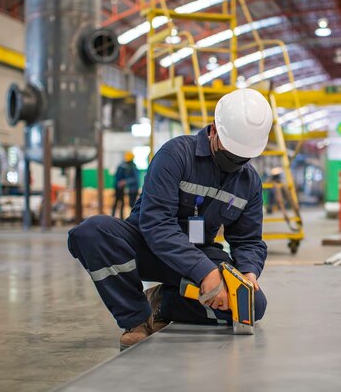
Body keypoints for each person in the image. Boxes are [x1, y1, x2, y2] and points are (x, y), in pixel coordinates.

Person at [68, 89, 273, 350]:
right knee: (92, 232)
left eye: (242, 156)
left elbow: (248, 240)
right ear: (213, 130)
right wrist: (206, 272)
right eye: (230, 151)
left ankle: (164, 302)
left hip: (197, 252)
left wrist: (248, 273)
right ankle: (137, 319)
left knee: (252, 306)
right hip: (146, 246)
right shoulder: (175, 155)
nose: (234, 161)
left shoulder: (250, 182)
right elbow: (156, 224)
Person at [111, 151, 140, 218]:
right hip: (122, 188)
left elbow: (135, 179)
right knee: (120, 203)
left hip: (132, 189)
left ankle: (134, 218)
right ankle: (123, 217)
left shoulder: (132, 167)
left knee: (131, 204)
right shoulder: (125, 166)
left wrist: (125, 182)